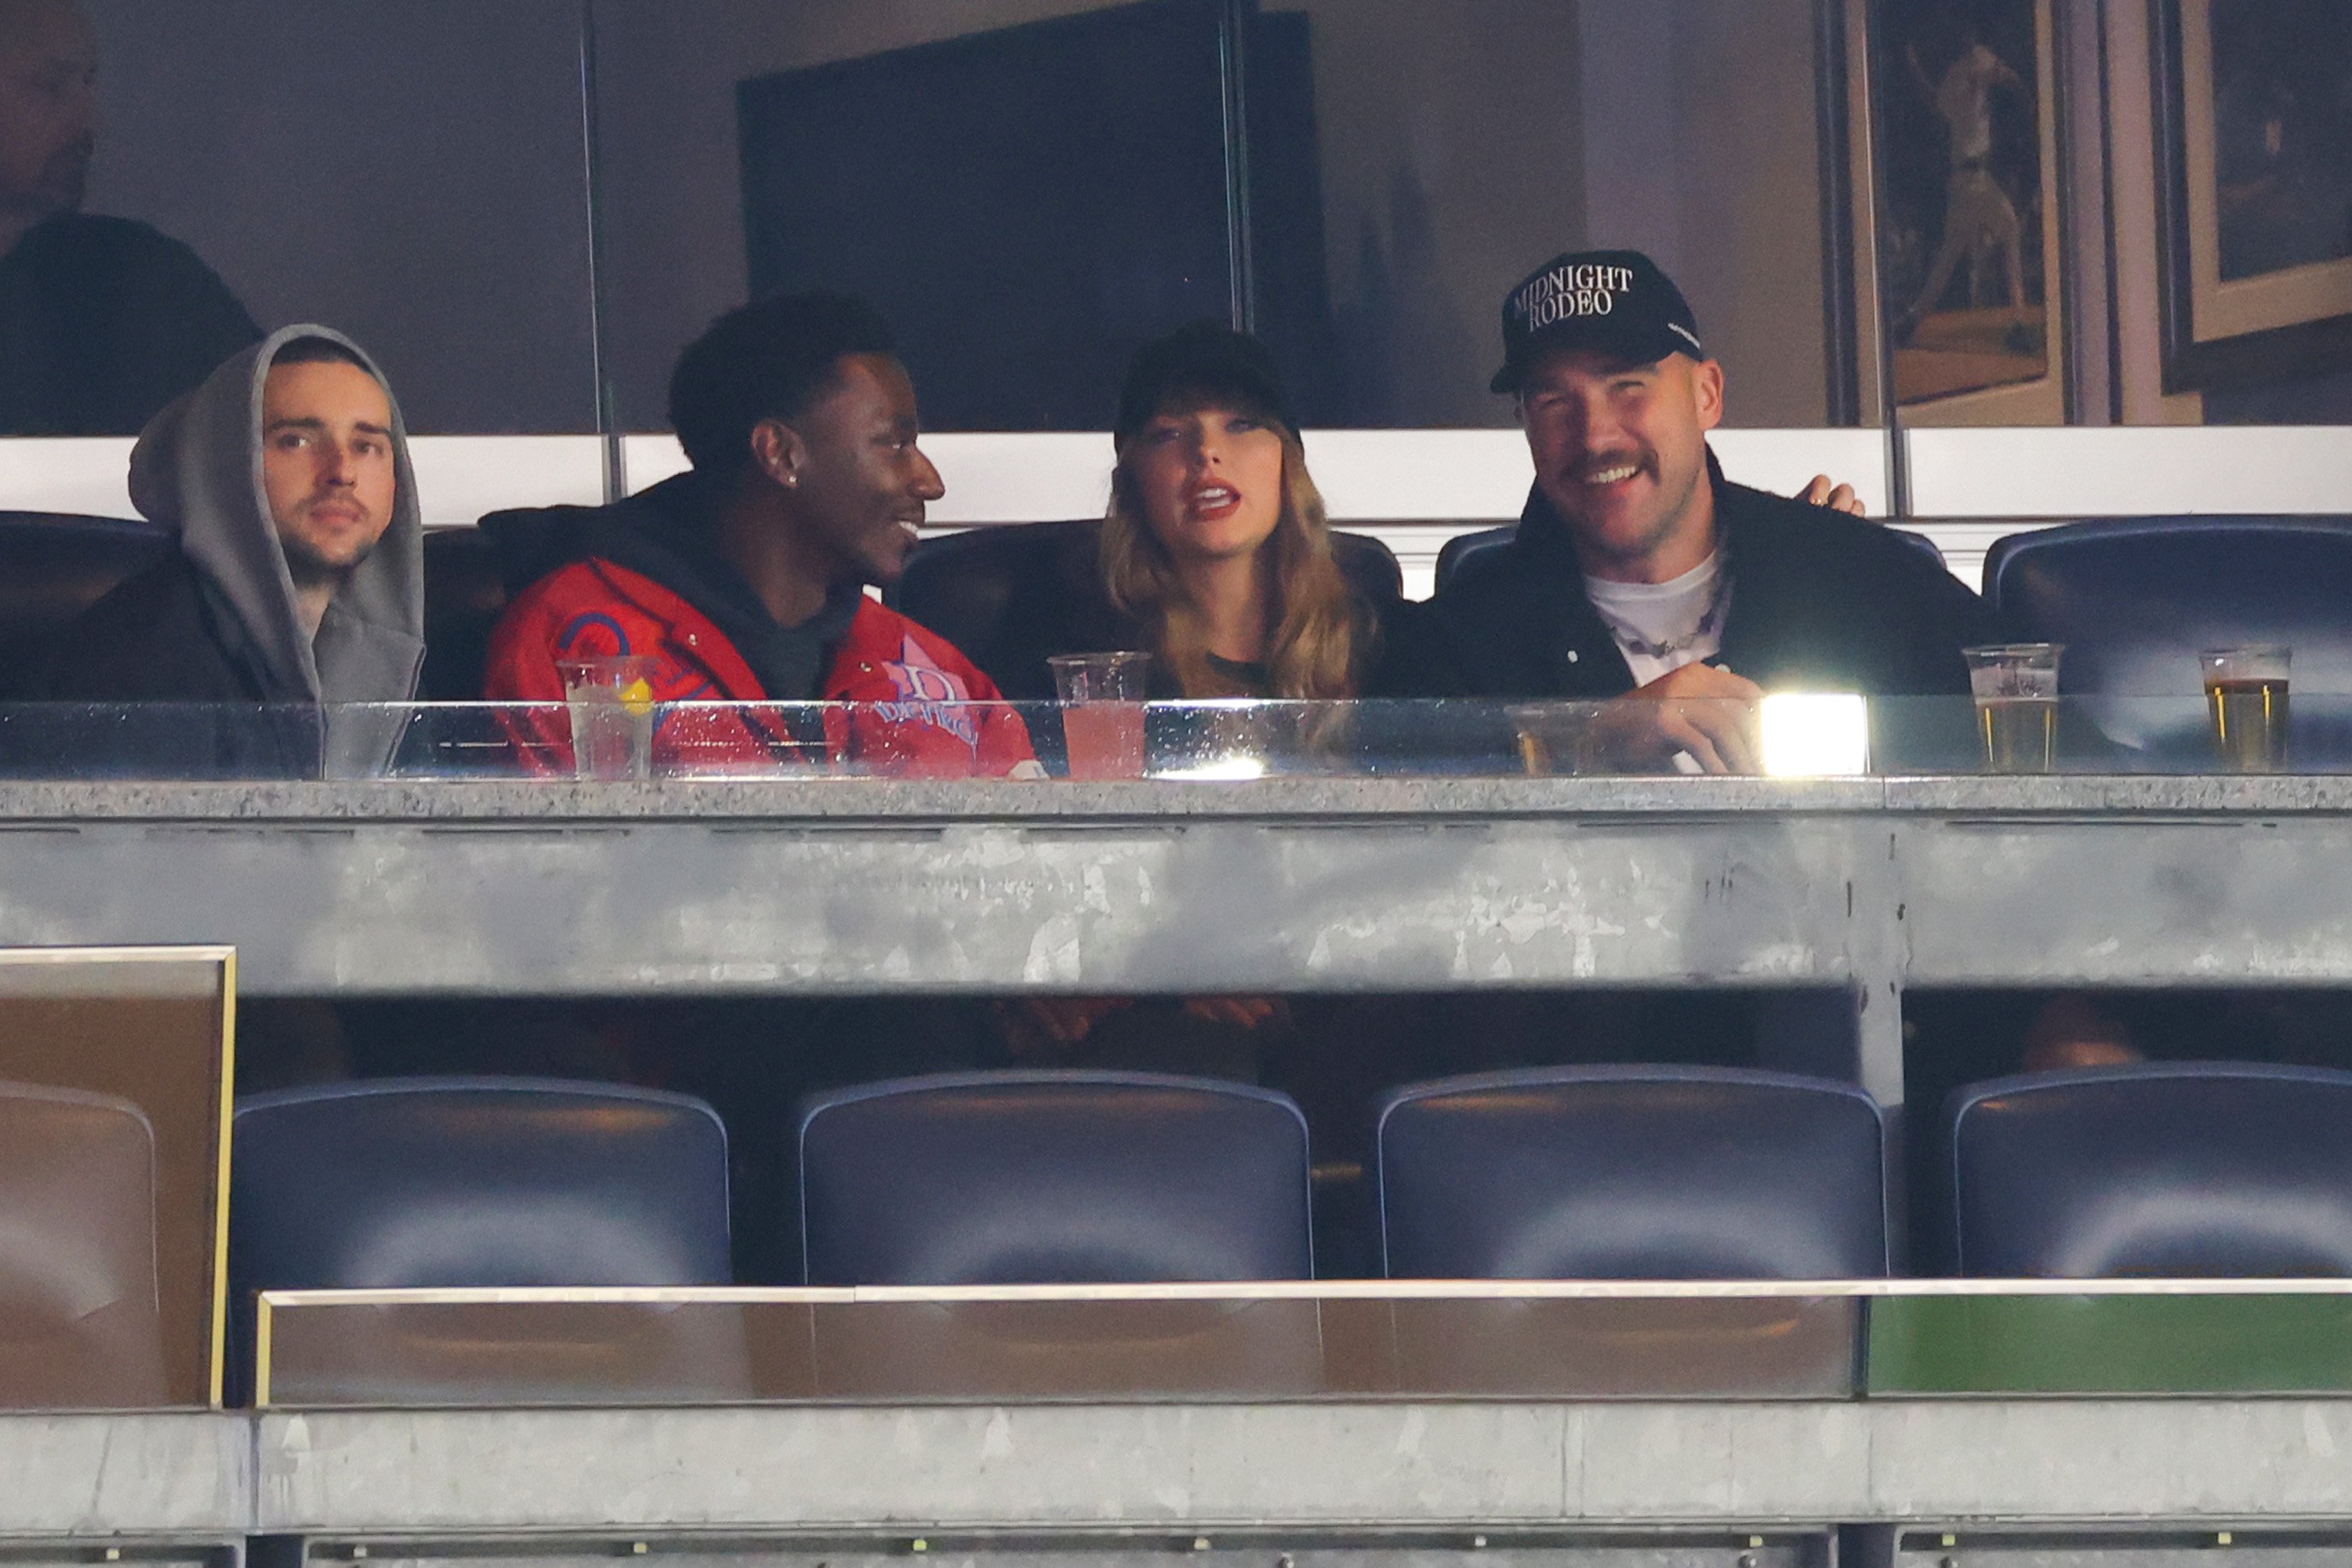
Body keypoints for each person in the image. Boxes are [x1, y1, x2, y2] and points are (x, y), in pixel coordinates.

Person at [1432, 249, 1998, 774]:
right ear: (1525, 423)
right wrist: (1596, 738)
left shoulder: (1857, 582)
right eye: (1553, 401)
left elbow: (2036, 776)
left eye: (1628, 386)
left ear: (1707, 395)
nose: (1595, 435)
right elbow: (1412, 832)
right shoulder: (1465, 640)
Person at [481, 291, 1033, 779]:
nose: (928, 481)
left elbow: (1037, 869)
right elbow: (544, 877)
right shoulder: (578, 641)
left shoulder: (931, 668)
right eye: (893, 443)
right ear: (780, 454)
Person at [24, 326, 424, 772]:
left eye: (367, 446)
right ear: (225, 465)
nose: (342, 471)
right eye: (297, 441)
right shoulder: (143, 669)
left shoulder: (394, 665)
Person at [0, 0, 260, 434]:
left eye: (88, 84)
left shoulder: (141, 278)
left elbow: (282, 417)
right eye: (50, 86)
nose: (90, 121)